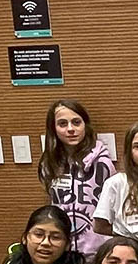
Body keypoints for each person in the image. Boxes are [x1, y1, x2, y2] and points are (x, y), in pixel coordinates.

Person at [37, 99, 114, 255]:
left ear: (85, 125)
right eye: (63, 124)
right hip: (63, 249)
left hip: (99, 250)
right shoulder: (49, 164)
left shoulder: (103, 163)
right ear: (54, 129)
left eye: (76, 122)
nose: (71, 129)